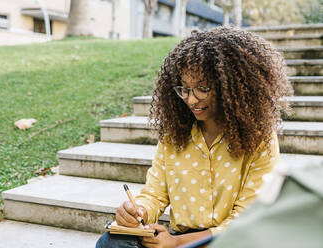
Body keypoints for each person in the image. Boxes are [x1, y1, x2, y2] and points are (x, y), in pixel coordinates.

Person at [96, 26, 293, 248]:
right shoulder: (175, 135)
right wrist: (137, 210)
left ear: (231, 87)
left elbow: (247, 218)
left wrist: (177, 242)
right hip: (182, 237)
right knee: (110, 243)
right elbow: (155, 194)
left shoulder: (259, 139)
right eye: (185, 89)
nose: (191, 100)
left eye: (202, 88)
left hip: (233, 239)